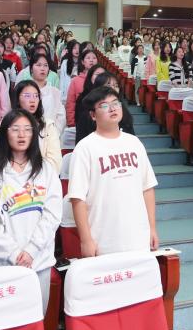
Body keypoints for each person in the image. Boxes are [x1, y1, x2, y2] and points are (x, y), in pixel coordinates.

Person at [0, 109, 62, 312]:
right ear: (5, 133)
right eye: (15, 129)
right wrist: (14, 254)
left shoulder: (46, 170)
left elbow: (52, 216)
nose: (22, 135)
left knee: (34, 322)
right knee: (2, 323)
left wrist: (31, 251)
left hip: (38, 263)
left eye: (27, 129)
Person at [68, 86, 159, 256]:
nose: (112, 108)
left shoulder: (134, 143)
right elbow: (77, 198)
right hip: (103, 240)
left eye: (115, 103)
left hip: (139, 238)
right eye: (104, 105)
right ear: (93, 115)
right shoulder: (85, 148)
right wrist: (86, 240)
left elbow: (147, 188)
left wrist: (152, 228)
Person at [13, 80, 62, 171]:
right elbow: (0, 156)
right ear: (17, 99)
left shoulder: (48, 126)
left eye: (36, 96)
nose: (33, 100)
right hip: (12, 176)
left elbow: (55, 161)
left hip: (42, 176)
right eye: (27, 96)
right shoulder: (7, 123)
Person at [65, 49, 99, 126]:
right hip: (80, 121)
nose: (91, 60)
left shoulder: (102, 79)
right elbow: (71, 103)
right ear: (83, 62)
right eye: (88, 58)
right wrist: (71, 122)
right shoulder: (76, 80)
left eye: (94, 58)